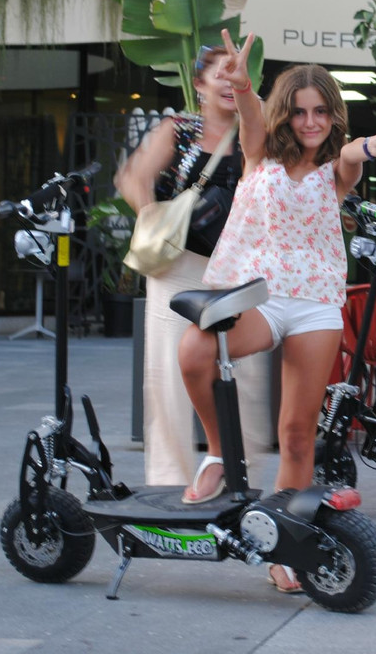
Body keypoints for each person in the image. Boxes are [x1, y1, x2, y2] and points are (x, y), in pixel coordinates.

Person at [177, 28, 376, 591]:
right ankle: (218, 451)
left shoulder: (334, 169)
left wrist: (372, 147)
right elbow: (249, 118)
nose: (310, 121)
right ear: (284, 115)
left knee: (296, 435)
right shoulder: (258, 154)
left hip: (315, 304)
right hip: (260, 296)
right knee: (195, 351)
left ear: (333, 115)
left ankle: (285, 545)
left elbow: (349, 155)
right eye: (298, 111)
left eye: (320, 111)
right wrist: (245, 89)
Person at [115, 45, 269, 488]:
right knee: (166, 376)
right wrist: (155, 218)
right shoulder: (178, 130)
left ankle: (243, 478)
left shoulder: (256, 133)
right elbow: (133, 177)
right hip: (177, 268)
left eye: (234, 73)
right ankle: (168, 481)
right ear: (199, 84)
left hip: (238, 270)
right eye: (218, 74)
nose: (226, 81)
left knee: (244, 376)